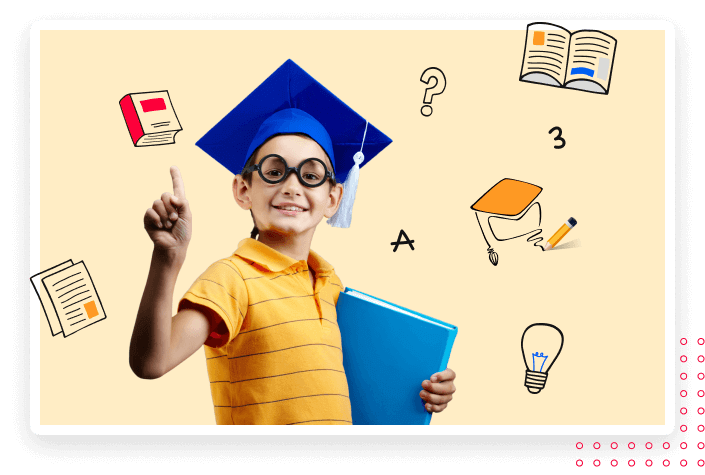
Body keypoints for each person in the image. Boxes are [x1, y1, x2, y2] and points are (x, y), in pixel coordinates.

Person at [129, 59, 456, 425]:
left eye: (311, 175)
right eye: (273, 171)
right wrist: (167, 259)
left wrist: (422, 390)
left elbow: (348, 388)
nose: (292, 185)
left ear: (333, 199)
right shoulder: (230, 279)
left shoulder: (332, 286)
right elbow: (151, 362)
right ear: (243, 189)